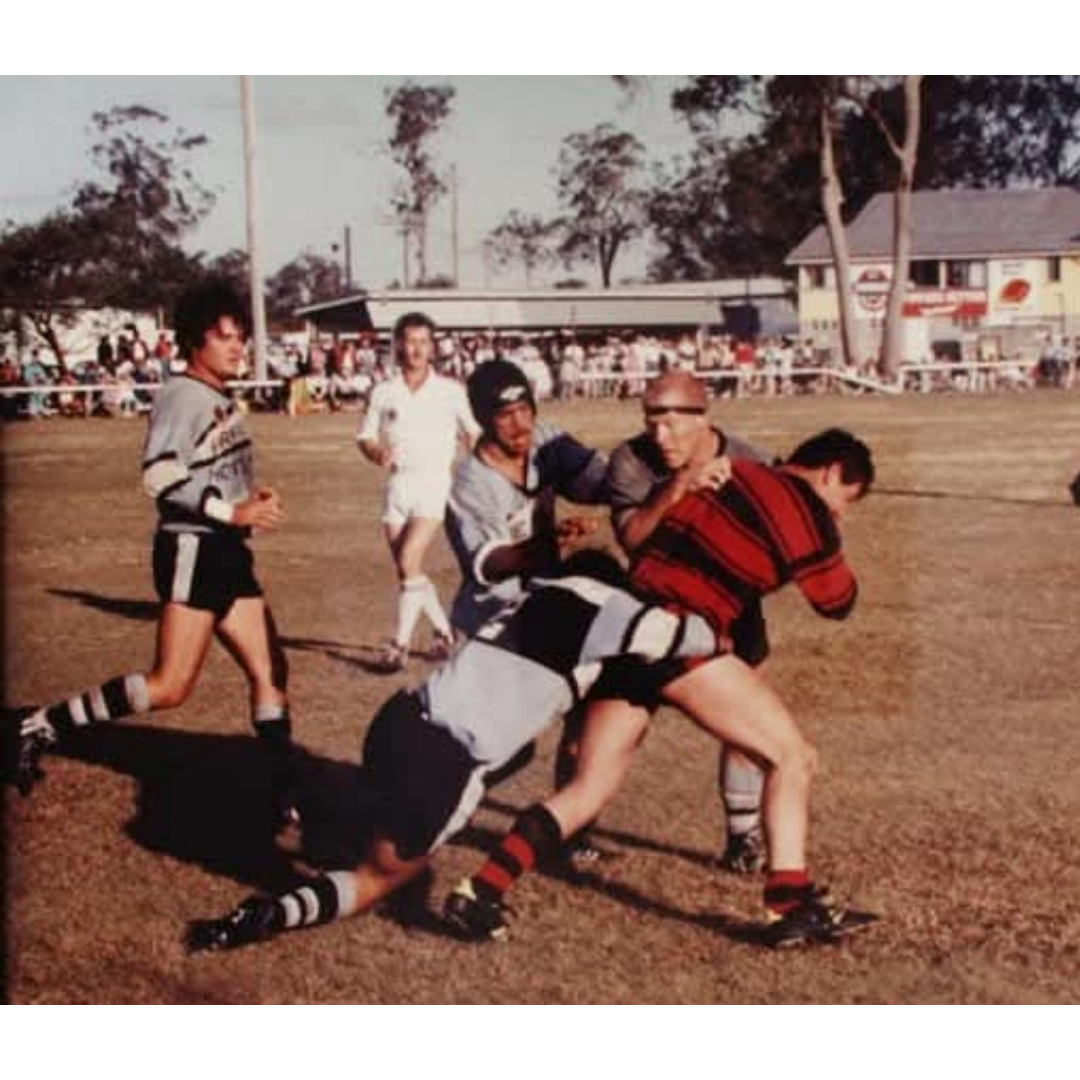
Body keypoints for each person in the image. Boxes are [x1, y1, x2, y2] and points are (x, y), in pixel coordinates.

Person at [445, 429, 880, 949]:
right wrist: (830, 532)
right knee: (792, 757)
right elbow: (838, 602)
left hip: (625, 627)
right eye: (846, 501)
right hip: (678, 637)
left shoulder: (731, 472)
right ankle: (791, 904)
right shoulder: (804, 507)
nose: (842, 512)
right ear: (831, 472)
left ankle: (481, 889)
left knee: (588, 789)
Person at [183, 553, 719, 952]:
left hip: (397, 721)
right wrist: (710, 626)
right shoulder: (604, 603)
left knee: (516, 755)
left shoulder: (530, 593)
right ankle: (269, 914)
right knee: (381, 878)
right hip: (444, 757)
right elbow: (689, 637)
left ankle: (315, 805)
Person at [13, 281, 301, 837]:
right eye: (226, 338)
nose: (239, 347)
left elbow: (209, 471)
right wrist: (231, 513)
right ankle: (40, 724)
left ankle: (283, 790)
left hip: (225, 553)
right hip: (193, 548)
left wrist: (249, 502)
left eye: (241, 337)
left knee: (271, 670)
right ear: (196, 342)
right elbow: (160, 477)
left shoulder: (216, 396)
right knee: (170, 686)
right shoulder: (182, 395)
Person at [444, 358, 610, 862]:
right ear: (482, 420)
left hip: (548, 606)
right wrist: (546, 543)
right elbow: (490, 565)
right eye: (505, 415)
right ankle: (428, 801)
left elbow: (601, 481)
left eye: (525, 410)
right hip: (495, 621)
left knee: (585, 718)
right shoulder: (471, 483)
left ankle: (573, 835)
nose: (520, 425)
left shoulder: (547, 440)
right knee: (503, 746)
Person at [607, 371, 771, 874]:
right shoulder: (630, 461)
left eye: (672, 424)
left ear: (704, 418)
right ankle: (572, 832)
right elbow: (633, 539)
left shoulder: (750, 461)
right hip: (653, 613)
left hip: (733, 610)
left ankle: (743, 838)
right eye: (652, 423)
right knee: (612, 734)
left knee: (746, 729)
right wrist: (679, 485)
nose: (660, 437)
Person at [357, 313, 480, 672]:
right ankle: (444, 635)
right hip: (397, 487)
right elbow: (365, 436)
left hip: (434, 483)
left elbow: (473, 432)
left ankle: (400, 646)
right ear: (397, 344)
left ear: (433, 346)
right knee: (407, 571)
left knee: (410, 561)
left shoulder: (451, 391)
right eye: (410, 341)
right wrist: (376, 452)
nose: (416, 349)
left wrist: (482, 465)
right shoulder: (384, 391)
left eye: (424, 342)